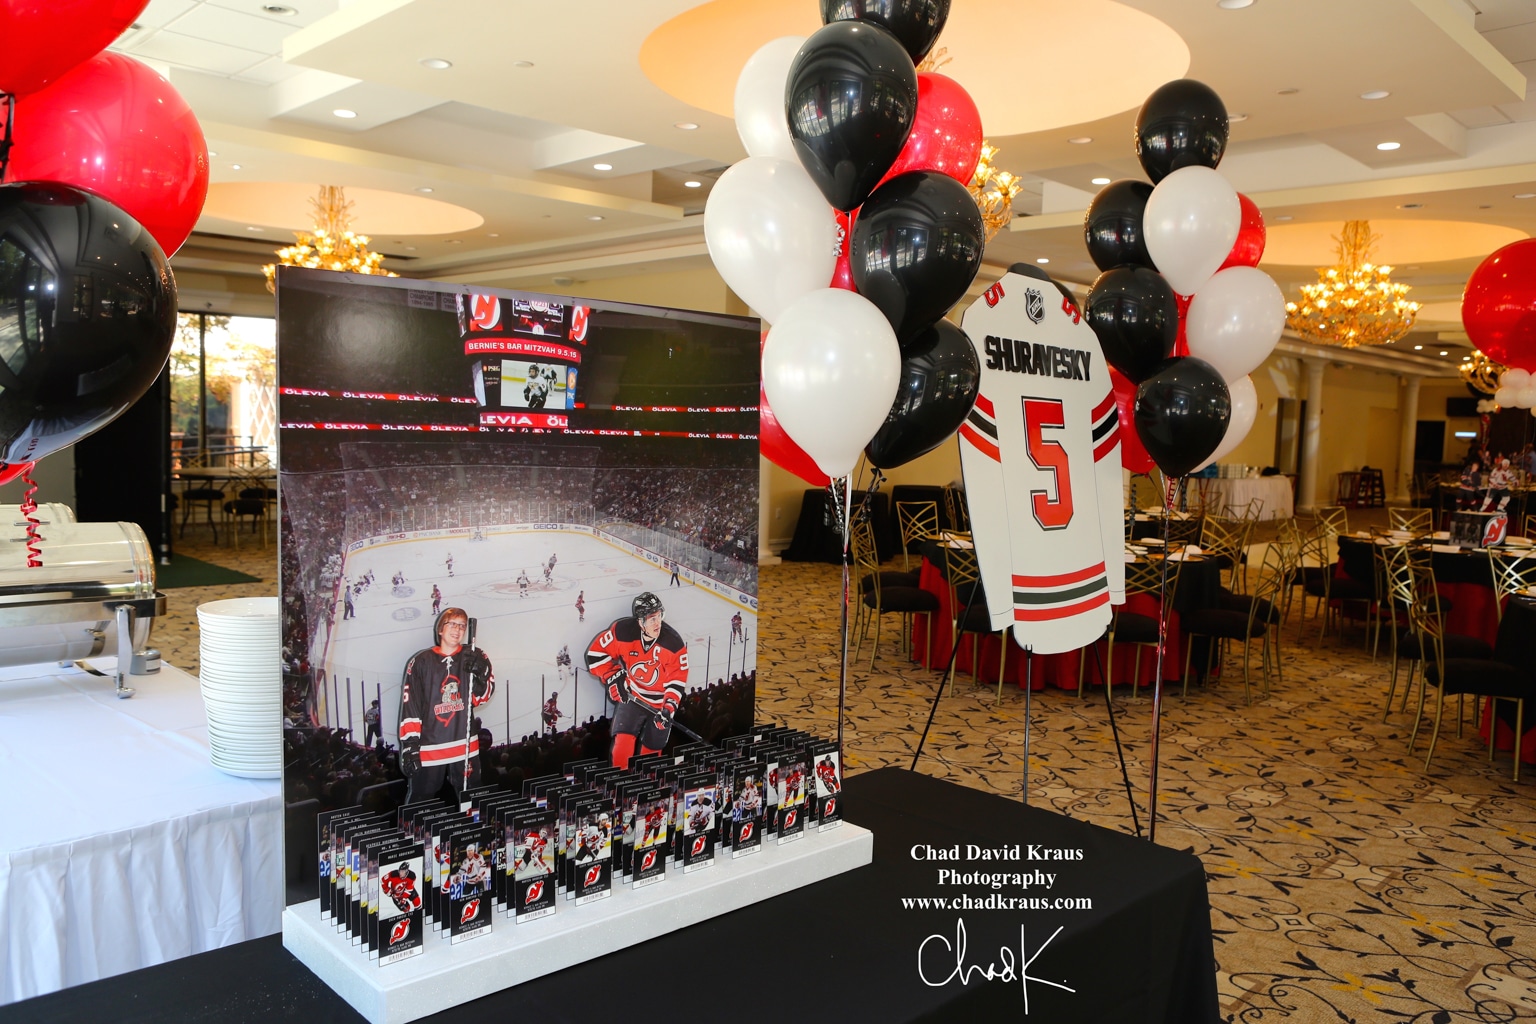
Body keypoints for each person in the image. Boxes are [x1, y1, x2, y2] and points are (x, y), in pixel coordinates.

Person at [398, 607, 495, 803]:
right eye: (452, 624)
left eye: (461, 625)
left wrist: (482, 677)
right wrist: (410, 747)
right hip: (430, 746)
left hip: (464, 744)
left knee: (473, 797)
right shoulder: (420, 661)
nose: (457, 629)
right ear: (440, 629)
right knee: (421, 798)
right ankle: (414, 834)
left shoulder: (474, 655)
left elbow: (481, 697)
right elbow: (411, 706)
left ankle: (474, 832)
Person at [585, 592, 689, 769]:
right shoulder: (622, 632)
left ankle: (646, 784)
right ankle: (620, 781)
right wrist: (612, 675)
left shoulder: (673, 643)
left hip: (660, 703)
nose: (658, 623)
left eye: (659, 616)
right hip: (632, 695)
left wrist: (668, 708)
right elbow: (595, 655)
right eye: (652, 619)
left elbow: (677, 679)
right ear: (640, 622)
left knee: (652, 749)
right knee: (622, 742)